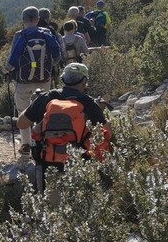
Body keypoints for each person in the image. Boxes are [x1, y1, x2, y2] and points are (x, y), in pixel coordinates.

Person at [15, 61, 110, 193]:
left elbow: (21, 123)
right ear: (84, 81)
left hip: (47, 165)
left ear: (63, 79)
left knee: (48, 204)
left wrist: (35, 104)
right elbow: (107, 132)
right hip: (79, 165)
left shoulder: (47, 97)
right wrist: (99, 112)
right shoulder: (88, 103)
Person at [4, 6, 62, 159]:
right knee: (43, 110)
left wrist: (6, 70)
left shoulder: (20, 35)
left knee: (23, 111)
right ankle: (43, 141)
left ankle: (26, 144)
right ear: (37, 19)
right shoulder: (47, 33)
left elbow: (13, 58)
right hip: (44, 80)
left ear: (23, 21)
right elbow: (57, 56)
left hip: (22, 82)